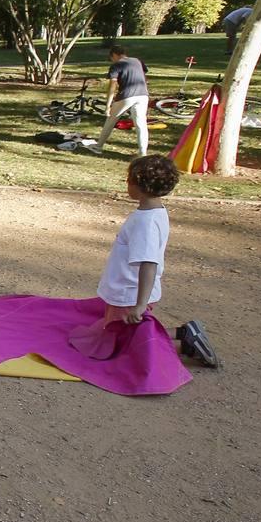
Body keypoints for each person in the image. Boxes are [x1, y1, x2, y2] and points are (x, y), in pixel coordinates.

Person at [70, 155, 220, 367]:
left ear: (139, 184)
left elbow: (149, 263)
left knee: (125, 342)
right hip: (130, 290)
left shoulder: (145, 223)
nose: (126, 184)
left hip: (130, 292)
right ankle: (184, 333)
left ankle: (186, 343)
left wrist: (140, 305)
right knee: (120, 333)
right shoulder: (155, 211)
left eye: (128, 180)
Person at [85, 46, 149, 158]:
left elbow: (112, 85)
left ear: (114, 55)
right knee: (141, 124)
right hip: (143, 95)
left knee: (111, 120)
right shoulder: (138, 61)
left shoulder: (117, 65)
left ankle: (98, 147)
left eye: (111, 58)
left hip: (126, 96)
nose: (112, 60)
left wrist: (108, 105)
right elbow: (144, 77)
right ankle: (142, 153)